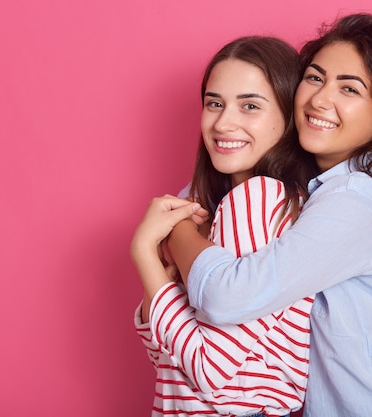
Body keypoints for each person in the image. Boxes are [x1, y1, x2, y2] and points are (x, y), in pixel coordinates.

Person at [164, 13, 372, 416]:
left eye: (349, 88)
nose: (320, 99)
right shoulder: (318, 185)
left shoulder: (360, 200)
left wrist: (176, 229)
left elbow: (227, 297)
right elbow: (205, 194)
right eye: (314, 78)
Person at [131, 36, 318, 417]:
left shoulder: (260, 198)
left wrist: (144, 254)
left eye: (250, 106)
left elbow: (207, 369)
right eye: (214, 103)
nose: (223, 122)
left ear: (287, 118)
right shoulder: (219, 208)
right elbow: (170, 365)